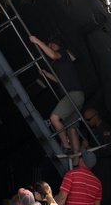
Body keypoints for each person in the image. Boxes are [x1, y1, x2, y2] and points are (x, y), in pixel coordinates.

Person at [29, 33, 85, 162]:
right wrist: (46, 74)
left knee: (54, 118)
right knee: (72, 129)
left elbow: (53, 54)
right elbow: (60, 81)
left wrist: (37, 41)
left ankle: (66, 146)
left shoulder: (62, 54)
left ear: (54, 45)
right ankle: (76, 162)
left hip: (73, 95)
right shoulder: (62, 64)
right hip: (76, 95)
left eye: (50, 45)